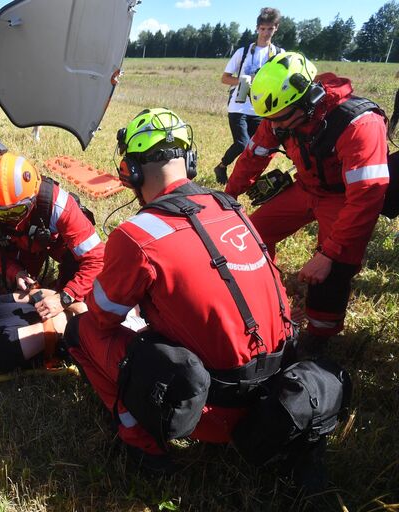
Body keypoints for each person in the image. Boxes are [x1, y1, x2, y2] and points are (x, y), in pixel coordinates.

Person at [65, 108, 295, 471]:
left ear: (133, 171)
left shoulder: (137, 235)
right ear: (189, 161)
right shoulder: (231, 208)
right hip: (277, 392)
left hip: (212, 407)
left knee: (81, 330)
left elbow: (103, 316)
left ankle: (140, 442)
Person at [225, 52, 390, 352]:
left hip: (344, 198)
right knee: (251, 235)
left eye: (280, 118)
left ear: (309, 98)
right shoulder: (281, 116)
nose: (274, 126)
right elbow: (253, 157)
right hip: (306, 189)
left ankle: (319, 335)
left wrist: (328, 255)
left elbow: (366, 197)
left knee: (334, 269)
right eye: (269, 119)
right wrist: (228, 197)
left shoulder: (359, 124)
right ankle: (266, 295)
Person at [0, 152, 104, 320]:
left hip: (56, 244)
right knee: (18, 292)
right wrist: (16, 272)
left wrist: (65, 297)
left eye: (17, 211)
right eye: (1, 214)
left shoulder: (59, 205)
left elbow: (98, 258)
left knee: (82, 285)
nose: (10, 220)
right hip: (21, 246)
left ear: (33, 198)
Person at [214, 7, 283, 185]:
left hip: (262, 108)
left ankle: (243, 179)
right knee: (242, 143)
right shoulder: (242, 52)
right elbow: (224, 78)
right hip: (239, 105)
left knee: (255, 149)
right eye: (263, 28)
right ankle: (222, 166)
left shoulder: (279, 54)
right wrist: (246, 80)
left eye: (270, 28)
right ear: (257, 28)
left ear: (276, 28)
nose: (266, 32)